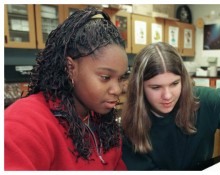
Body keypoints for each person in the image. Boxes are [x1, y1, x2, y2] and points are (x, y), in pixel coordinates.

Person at [121, 42, 220, 170]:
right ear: (139, 87)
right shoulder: (128, 127)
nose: (167, 95)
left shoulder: (201, 100)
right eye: (156, 87)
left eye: (175, 83)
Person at [5, 7, 128, 170]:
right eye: (105, 77)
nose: (117, 89)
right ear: (70, 68)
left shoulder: (104, 124)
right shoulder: (25, 122)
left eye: (120, 78)